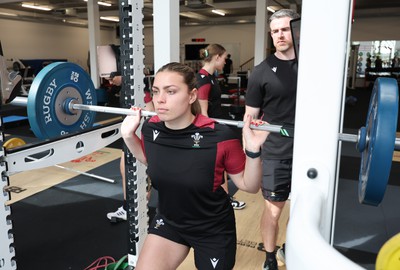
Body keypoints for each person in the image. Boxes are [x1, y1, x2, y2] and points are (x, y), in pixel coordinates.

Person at [121, 62, 269, 270]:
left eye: (170, 91)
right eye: (156, 92)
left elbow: (249, 186)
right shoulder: (151, 128)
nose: (160, 100)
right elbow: (151, 161)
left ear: (191, 96)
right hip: (170, 222)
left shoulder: (220, 136)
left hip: (212, 229)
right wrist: (128, 136)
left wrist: (253, 151)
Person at [243, 9, 300, 270]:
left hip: (310, 151)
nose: (280, 35)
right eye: (275, 31)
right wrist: (251, 153)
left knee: (303, 211)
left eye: (285, 29)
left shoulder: (313, 65)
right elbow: (250, 116)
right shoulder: (261, 72)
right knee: (274, 211)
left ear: (296, 30)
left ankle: (293, 248)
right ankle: (269, 257)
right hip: (277, 152)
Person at [196, 44, 246, 210]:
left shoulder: (211, 77)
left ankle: (224, 198)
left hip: (216, 125)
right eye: (224, 58)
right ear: (217, 57)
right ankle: (222, 199)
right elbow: (203, 113)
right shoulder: (203, 79)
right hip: (210, 129)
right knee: (217, 165)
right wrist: (214, 133)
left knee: (220, 165)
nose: (225, 62)